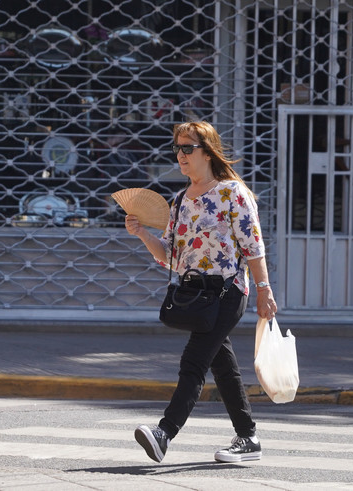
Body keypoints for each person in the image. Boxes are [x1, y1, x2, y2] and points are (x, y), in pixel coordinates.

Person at [124, 121, 278, 463]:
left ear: (207, 152)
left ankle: (164, 433)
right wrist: (142, 234)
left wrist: (264, 289)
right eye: (177, 148)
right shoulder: (179, 200)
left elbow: (253, 246)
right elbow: (170, 256)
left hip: (227, 292)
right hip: (196, 296)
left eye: (187, 148)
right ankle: (248, 437)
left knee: (194, 361)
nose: (181, 155)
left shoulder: (231, 193)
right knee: (222, 367)